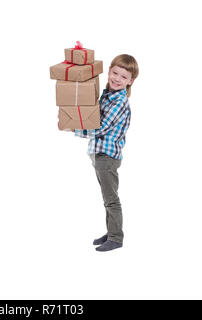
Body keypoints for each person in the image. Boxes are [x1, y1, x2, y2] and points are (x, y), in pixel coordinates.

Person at [74, 54, 139, 252]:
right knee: (107, 197)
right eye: (115, 73)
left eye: (123, 76)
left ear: (130, 81)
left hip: (107, 157)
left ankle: (116, 238)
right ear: (109, 71)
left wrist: (74, 128)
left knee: (111, 199)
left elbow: (100, 127)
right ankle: (111, 231)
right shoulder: (107, 94)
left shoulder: (119, 101)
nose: (117, 78)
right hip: (99, 154)